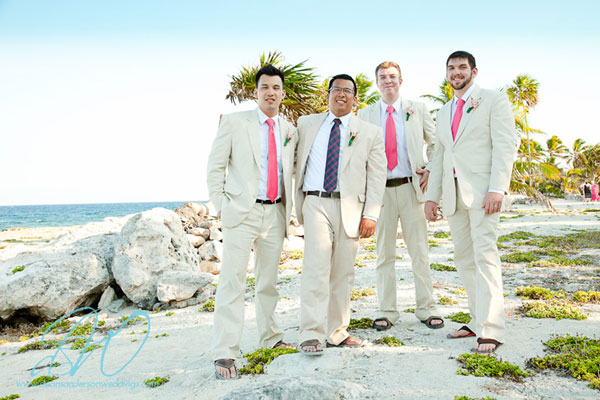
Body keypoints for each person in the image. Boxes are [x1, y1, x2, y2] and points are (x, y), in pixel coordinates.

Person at [206, 64, 297, 379]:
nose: (271, 92)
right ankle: (224, 351)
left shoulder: (289, 130)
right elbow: (215, 167)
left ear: (282, 94)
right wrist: (221, 205)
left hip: (275, 213)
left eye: (276, 88)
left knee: (268, 283)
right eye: (265, 87)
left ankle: (270, 337)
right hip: (241, 214)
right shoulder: (234, 123)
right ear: (256, 92)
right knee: (232, 282)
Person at [424, 51, 518, 353]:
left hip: (483, 193)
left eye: (462, 67)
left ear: (473, 72)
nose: (456, 72)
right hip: (453, 195)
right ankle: (477, 319)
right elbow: (439, 156)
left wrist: (497, 189)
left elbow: (505, 145)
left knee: (485, 257)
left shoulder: (493, 100)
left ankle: (492, 328)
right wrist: (431, 197)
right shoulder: (443, 111)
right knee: (464, 259)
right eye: (451, 68)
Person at [294, 74, 387, 355]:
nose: (341, 94)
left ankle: (337, 332)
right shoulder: (306, 124)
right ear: (328, 94)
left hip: (351, 208)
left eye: (347, 91)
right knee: (316, 267)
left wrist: (371, 214)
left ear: (355, 99)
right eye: (336, 89)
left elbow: (377, 176)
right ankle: (310, 333)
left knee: (343, 272)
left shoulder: (370, 132)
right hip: (315, 202)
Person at [358, 61, 443, 331]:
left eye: (392, 76)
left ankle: (426, 308)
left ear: (401, 80)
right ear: (377, 82)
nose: (388, 80)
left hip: (411, 188)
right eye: (382, 77)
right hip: (379, 192)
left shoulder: (417, 109)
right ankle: (387, 310)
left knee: (419, 251)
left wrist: (431, 168)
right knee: (384, 254)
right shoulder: (365, 114)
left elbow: (436, 143)